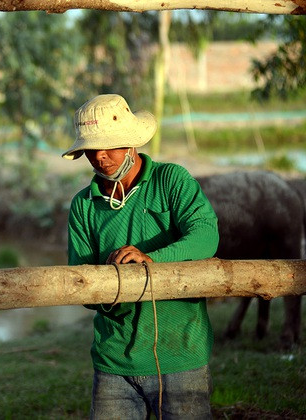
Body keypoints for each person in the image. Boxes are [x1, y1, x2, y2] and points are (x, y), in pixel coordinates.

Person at [63, 94, 219, 419]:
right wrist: (110, 283)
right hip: (113, 361)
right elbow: (81, 282)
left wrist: (152, 259)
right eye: (91, 148)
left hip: (181, 355)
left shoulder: (171, 180)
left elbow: (206, 237)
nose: (99, 156)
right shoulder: (83, 205)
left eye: (109, 145)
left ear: (131, 143)